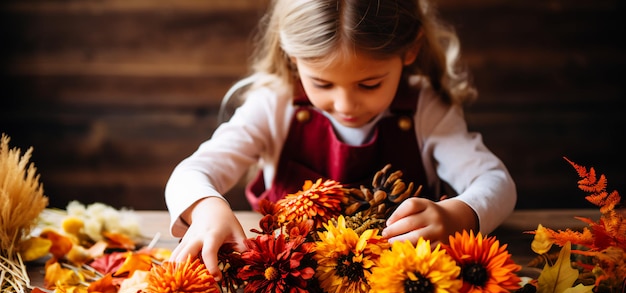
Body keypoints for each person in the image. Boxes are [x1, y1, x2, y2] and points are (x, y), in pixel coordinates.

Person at [165, 0, 517, 278]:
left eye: (369, 84)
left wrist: (459, 217)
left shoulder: (426, 109)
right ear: (293, 57)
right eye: (322, 83)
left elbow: (496, 182)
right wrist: (207, 209)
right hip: (287, 285)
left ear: (409, 51)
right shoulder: (274, 105)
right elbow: (192, 172)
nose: (346, 105)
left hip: (394, 285)